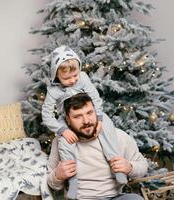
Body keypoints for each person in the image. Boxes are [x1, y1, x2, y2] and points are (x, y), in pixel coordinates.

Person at [42, 46, 127, 199]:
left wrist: (99, 118)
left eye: (75, 76)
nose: (73, 81)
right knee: (64, 142)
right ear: (56, 75)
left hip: (92, 111)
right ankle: (73, 181)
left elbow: (95, 98)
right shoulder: (53, 90)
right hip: (67, 120)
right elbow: (47, 116)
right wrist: (62, 130)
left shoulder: (83, 78)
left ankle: (117, 168)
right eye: (67, 79)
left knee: (107, 126)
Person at [47, 93, 148, 200]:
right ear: (68, 119)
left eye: (90, 113)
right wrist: (58, 176)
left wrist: (129, 167)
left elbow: (142, 166)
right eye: (77, 116)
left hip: (115, 197)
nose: (86, 121)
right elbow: (52, 184)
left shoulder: (118, 136)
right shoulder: (61, 142)